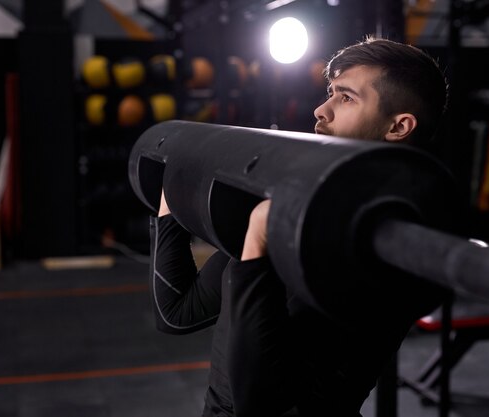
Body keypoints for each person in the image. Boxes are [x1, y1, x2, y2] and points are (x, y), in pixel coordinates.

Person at [149, 36, 449, 416]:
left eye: (346, 97)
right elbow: (176, 312)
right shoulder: (295, 204)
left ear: (398, 126)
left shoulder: (381, 248)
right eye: (329, 92)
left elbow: (257, 401)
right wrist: (169, 206)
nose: (321, 110)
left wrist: (256, 245)